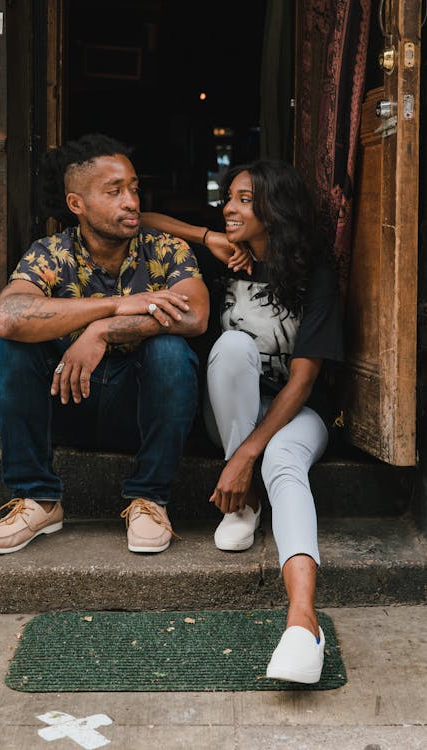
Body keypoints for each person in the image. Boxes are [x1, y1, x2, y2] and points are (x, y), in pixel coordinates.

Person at [141, 158, 344, 684]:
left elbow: (302, 380)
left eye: (245, 200)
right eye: (229, 197)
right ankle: (245, 504)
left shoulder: (314, 275)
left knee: (281, 456)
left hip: (298, 414)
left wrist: (248, 455)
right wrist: (208, 237)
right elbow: (140, 221)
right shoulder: (219, 263)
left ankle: (304, 622)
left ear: (275, 209)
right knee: (231, 346)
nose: (230, 207)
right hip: (228, 413)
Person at [0, 133, 209, 556]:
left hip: (137, 406)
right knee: (11, 348)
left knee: (171, 352)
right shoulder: (50, 254)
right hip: (66, 399)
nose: (132, 202)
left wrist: (100, 332)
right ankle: (39, 500)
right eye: (114, 191)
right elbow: (10, 316)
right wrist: (118, 305)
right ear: (76, 204)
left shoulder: (165, 248)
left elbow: (194, 315)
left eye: (134, 188)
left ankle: (149, 500)